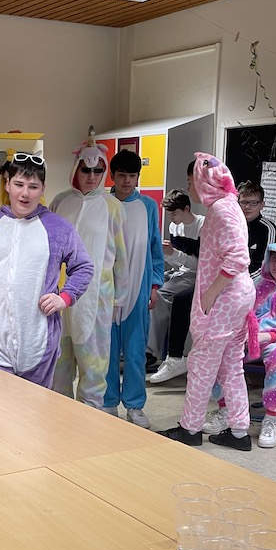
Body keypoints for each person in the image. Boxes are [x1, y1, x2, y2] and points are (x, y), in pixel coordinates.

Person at [0, 153, 93, 386]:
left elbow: (83, 266)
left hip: (38, 342)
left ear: (43, 189)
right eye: (19, 184)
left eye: (33, 186)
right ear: (7, 185)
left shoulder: (58, 228)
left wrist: (64, 297)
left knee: (34, 407)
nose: (25, 193)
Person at [159, 153, 255, 450]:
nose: (190, 188)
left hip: (226, 298)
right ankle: (239, 431)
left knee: (202, 363)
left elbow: (238, 257)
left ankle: (190, 429)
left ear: (204, 181)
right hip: (237, 296)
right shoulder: (228, 205)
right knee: (230, 364)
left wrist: (211, 292)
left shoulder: (222, 210)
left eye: (191, 181)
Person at [204, 229, 276, 448]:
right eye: (274, 259)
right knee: (221, 348)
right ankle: (225, 409)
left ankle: (271, 419)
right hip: (253, 340)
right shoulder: (260, 284)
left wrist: (269, 335)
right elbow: (244, 313)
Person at [50, 131, 129, 408]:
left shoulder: (113, 207)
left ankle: (90, 420)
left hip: (97, 298)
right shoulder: (60, 202)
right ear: (76, 169)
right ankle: (59, 418)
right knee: (59, 365)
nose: (92, 176)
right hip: (58, 298)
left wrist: (120, 298)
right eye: (86, 169)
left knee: (93, 367)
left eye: (98, 170)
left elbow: (121, 257)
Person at [104, 149, 164, 427]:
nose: (127, 181)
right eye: (121, 175)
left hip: (138, 287)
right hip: (107, 289)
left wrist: (154, 285)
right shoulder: (102, 204)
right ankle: (107, 401)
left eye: (132, 175)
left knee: (135, 350)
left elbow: (155, 248)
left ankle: (135, 405)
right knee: (106, 349)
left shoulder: (148, 206)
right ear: (112, 176)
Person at [147, 186, 204, 383]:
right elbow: (177, 262)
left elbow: (200, 264)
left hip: (197, 275)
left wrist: (174, 254)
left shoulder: (202, 226)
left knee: (161, 295)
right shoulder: (174, 226)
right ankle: (149, 349)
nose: (171, 217)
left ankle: (151, 352)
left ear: (186, 209)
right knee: (149, 288)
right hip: (179, 272)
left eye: (174, 213)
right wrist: (168, 255)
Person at [237, 181, 276, 279]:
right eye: (243, 202)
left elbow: (265, 266)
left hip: (254, 283)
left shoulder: (268, 229)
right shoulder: (231, 225)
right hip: (227, 280)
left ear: (261, 205)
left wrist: (240, 282)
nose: (247, 207)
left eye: (253, 203)